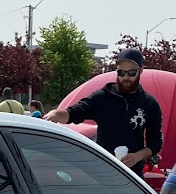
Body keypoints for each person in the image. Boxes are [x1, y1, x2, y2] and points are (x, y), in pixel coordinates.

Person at [44, 48, 162, 176]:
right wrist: (55, 114)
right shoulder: (102, 97)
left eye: (132, 73)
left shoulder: (149, 103)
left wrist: (137, 157)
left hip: (132, 175)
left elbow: (155, 143)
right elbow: (75, 112)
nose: (126, 77)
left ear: (141, 70)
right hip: (102, 173)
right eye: (121, 73)